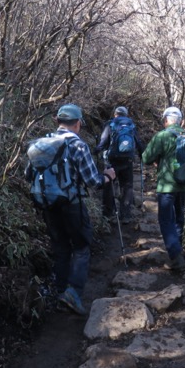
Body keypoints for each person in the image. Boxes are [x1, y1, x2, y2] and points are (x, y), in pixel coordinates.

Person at [29, 103, 116, 315]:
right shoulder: (78, 146)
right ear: (78, 124)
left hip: (47, 203)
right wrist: (108, 177)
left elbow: (28, 175)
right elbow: (92, 180)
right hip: (72, 204)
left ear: (57, 122)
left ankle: (61, 291)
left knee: (60, 247)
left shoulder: (42, 143)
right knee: (81, 246)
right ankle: (73, 292)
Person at [141, 105, 185, 271]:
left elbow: (146, 157)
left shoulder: (163, 136)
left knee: (165, 220)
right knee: (179, 217)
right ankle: (177, 250)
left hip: (167, 186)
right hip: (184, 185)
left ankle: (176, 256)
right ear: (181, 121)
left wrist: (159, 160)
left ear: (165, 121)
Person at [95, 105, 146, 223]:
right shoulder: (131, 125)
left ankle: (108, 213)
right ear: (126, 115)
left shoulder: (111, 124)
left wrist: (96, 150)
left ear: (115, 114)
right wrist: (142, 154)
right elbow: (138, 142)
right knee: (127, 186)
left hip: (113, 160)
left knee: (109, 184)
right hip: (127, 160)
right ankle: (126, 215)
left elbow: (103, 142)